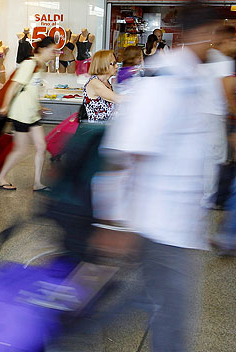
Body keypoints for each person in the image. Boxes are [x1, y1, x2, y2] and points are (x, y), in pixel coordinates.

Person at [87, 3, 218, 350]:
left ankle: (73, 330)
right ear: (203, 34)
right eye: (216, 35)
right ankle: (69, 331)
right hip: (158, 223)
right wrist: (114, 223)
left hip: (171, 223)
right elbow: (131, 149)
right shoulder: (168, 80)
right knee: (169, 315)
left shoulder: (190, 77)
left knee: (144, 300)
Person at [0, 37, 57, 192]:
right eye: (52, 51)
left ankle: (37, 183)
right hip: (21, 114)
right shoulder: (29, 64)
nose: (54, 54)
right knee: (21, 149)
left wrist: (39, 107)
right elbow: (15, 85)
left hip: (32, 114)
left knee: (41, 146)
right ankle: (1, 177)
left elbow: (31, 90)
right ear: (42, 49)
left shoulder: (40, 66)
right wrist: (6, 106)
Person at [200, 25, 236, 208]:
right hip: (214, 116)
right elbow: (227, 93)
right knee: (215, 159)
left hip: (202, 115)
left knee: (208, 158)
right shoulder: (224, 62)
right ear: (228, 40)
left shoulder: (208, 56)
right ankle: (208, 200)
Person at [83, 50, 121, 123]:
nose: (116, 66)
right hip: (97, 131)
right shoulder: (94, 83)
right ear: (103, 64)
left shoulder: (106, 82)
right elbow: (117, 99)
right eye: (113, 63)